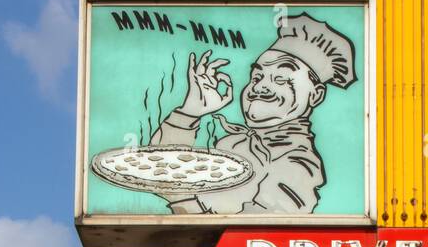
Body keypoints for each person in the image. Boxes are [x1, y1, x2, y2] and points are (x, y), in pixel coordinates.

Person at [150, 12, 356, 214]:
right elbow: (160, 171)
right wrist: (191, 111)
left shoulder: (298, 163)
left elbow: (260, 231)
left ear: (316, 96)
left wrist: (181, 199)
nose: (260, 87)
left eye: (281, 79)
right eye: (257, 77)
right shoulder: (231, 144)